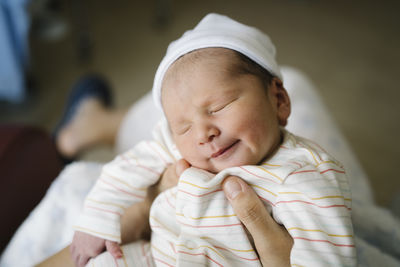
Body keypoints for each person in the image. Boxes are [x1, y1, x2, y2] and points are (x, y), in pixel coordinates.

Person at [69, 13, 355, 266]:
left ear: (278, 99)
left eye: (218, 108)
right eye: (183, 127)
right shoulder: (177, 146)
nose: (204, 133)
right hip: (158, 257)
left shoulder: (303, 179)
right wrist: (97, 220)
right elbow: (125, 168)